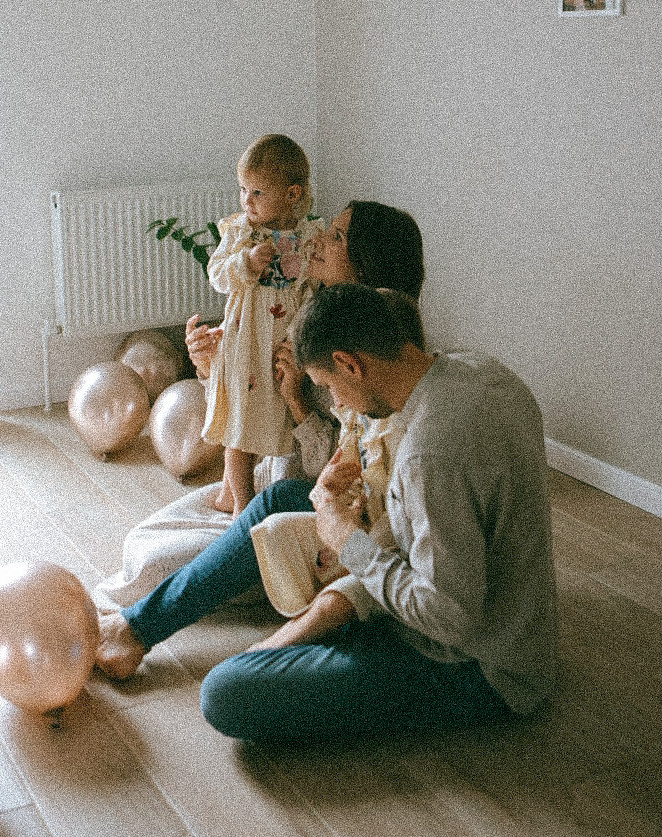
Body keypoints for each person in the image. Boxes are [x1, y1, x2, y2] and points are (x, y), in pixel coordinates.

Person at [97, 285, 558, 748]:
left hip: (479, 666)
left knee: (226, 690)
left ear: (351, 363)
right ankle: (134, 627)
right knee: (281, 497)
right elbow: (422, 526)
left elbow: (448, 616)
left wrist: (345, 543)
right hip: (490, 613)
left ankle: (315, 638)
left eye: (329, 385)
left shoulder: (426, 456)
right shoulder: (484, 372)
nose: (335, 398)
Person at [94, 202, 425, 612]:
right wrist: (212, 363)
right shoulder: (303, 300)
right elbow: (250, 391)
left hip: (311, 497)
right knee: (143, 540)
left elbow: (348, 469)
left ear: (364, 266)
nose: (318, 237)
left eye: (336, 237)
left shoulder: (366, 359)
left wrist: (297, 402)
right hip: (268, 471)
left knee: (151, 564)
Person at [202, 134, 322, 515]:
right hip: (244, 342)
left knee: (268, 420)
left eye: (257, 192)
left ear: (291, 194)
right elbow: (217, 275)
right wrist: (246, 264)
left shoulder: (308, 237)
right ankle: (241, 503)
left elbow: (311, 287)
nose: (246, 201)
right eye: (242, 190)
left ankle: (234, 493)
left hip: (281, 342)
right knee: (239, 427)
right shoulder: (241, 233)